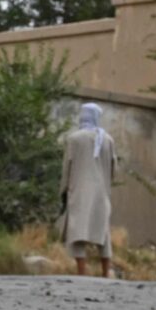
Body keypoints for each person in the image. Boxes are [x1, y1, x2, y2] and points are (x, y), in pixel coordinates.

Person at [61, 102, 115, 277]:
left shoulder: (74, 138)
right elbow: (114, 169)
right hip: (101, 193)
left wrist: (64, 189)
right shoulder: (108, 139)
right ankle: (106, 272)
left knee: (77, 231)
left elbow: (66, 167)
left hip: (79, 191)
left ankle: (81, 272)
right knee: (104, 234)